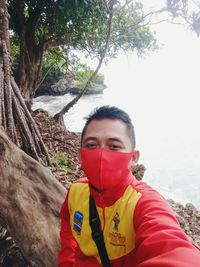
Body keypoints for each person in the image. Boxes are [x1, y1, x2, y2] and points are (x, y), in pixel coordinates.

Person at [58, 105, 200, 267]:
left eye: (114, 146)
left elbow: (174, 250)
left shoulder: (144, 203)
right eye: (91, 145)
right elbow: (67, 228)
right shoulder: (76, 191)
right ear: (81, 155)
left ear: (133, 158)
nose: (102, 154)